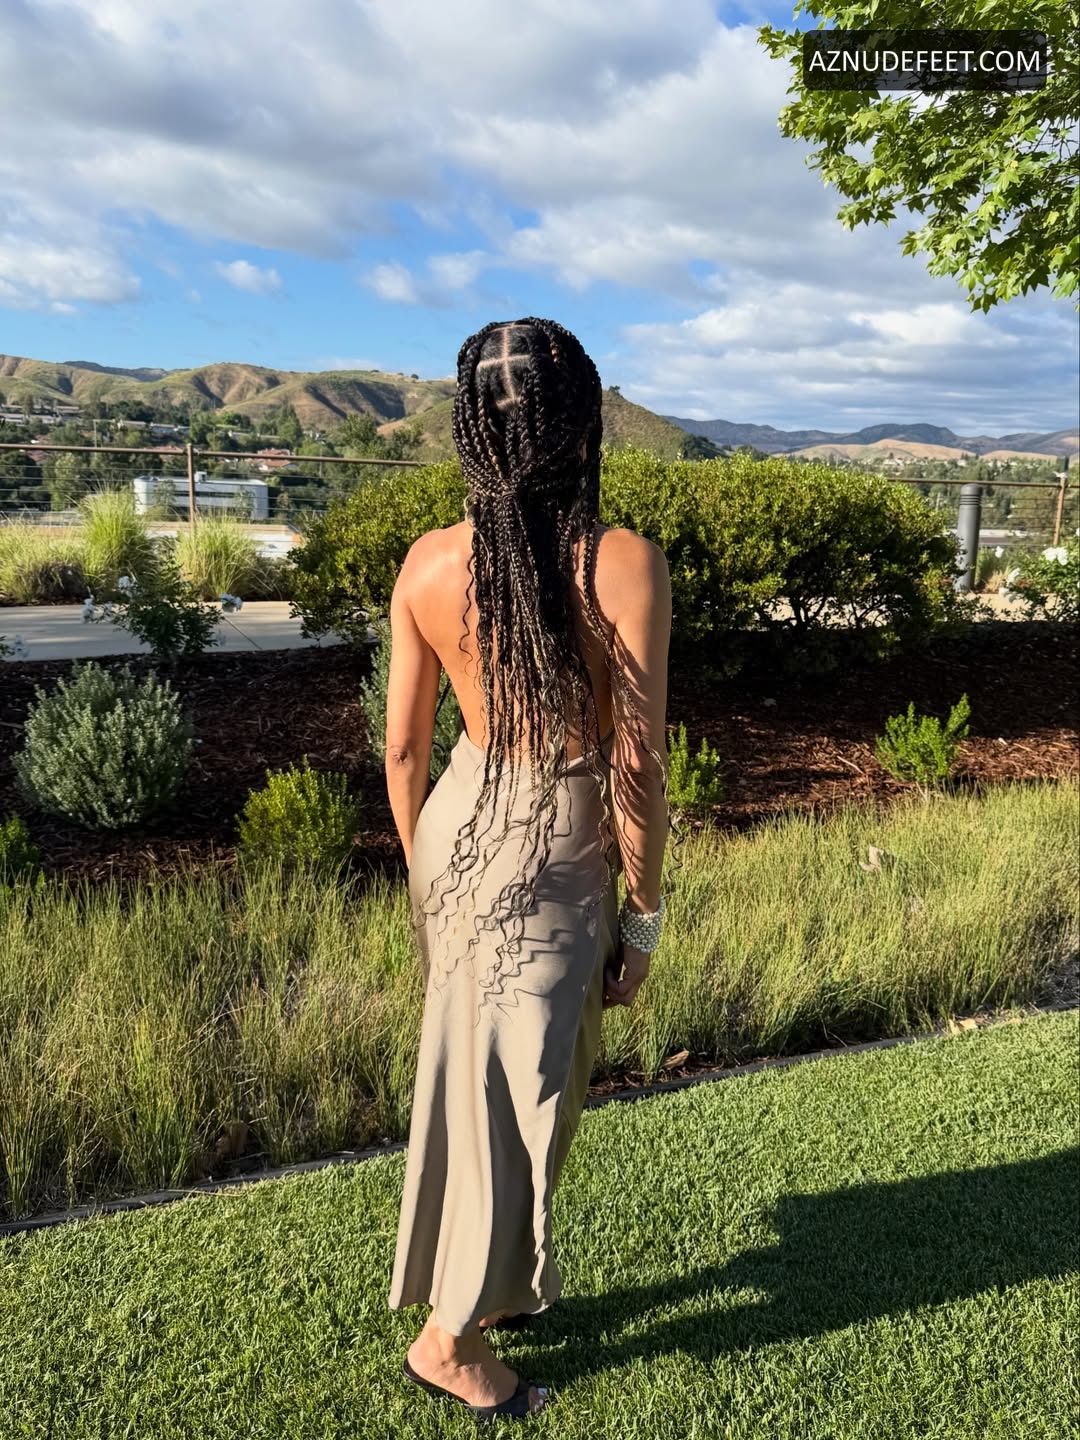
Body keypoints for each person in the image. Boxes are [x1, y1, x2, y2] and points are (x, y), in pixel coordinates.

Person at [384, 317, 672, 1422]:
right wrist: (643, 919)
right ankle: (450, 1340)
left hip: (455, 820)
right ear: (580, 422)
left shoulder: (428, 562)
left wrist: (428, 879)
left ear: (472, 430)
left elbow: (402, 750)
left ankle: (483, 1288)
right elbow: (636, 766)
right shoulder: (620, 562)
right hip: (557, 835)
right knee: (524, 1100)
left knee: (472, 1079)